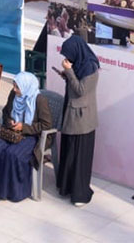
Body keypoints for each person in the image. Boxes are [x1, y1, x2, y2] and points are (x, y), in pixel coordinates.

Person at [0, 71, 53, 202]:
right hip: (14, 132)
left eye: (17, 87)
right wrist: (10, 122)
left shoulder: (39, 100)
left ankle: (15, 192)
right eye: (14, 86)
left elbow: (46, 125)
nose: (14, 89)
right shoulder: (14, 95)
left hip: (33, 136)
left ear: (26, 87)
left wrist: (23, 127)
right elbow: (6, 112)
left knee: (14, 153)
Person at [54, 35, 99, 206]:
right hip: (72, 115)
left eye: (68, 55)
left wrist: (69, 72)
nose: (67, 59)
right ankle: (65, 187)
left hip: (82, 120)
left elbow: (81, 90)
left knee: (79, 157)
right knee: (69, 153)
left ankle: (79, 194)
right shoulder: (80, 64)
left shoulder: (90, 67)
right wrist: (67, 75)